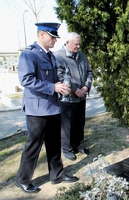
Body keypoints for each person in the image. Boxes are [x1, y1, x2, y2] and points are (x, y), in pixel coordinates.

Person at [15, 22, 79, 193]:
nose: (55, 41)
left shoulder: (49, 55)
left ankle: (57, 174)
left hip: (52, 107)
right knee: (34, 146)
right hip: (36, 109)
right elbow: (26, 80)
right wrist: (53, 87)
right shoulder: (29, 55)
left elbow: (52, 78)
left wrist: (61, 85)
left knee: (54, 144)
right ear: (41, 35)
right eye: (52, 37)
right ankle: (22, 179)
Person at [54, 32, 93, 161]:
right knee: (67, 126)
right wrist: (75, 90)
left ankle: (79, 146)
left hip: (81, 97)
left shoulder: (81, 56)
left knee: (80, 123)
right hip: (68, 99)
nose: (78, 46)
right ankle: (67, 149)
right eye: (76, 44)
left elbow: (89, 72)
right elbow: (60, 77)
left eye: (79, 44)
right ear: (67, 43)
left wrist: (86, 86)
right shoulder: (58, 56)